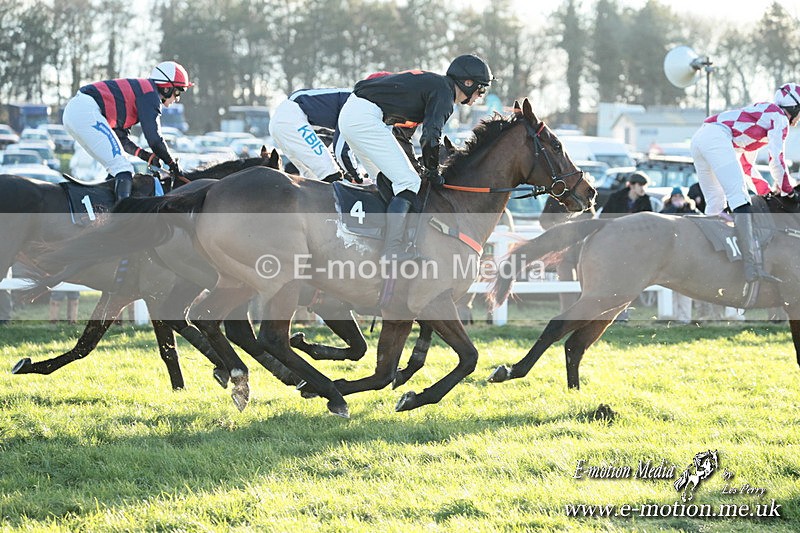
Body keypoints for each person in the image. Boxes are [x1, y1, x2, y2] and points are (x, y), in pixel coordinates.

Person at [338, 54, 494, 261]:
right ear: (467, 83)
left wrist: (424, 168)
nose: (479, 96)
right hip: (364, 117)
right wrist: (432, 170)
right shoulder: (444, 96)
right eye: (480, 89)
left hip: (355, 114)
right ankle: (392, 251)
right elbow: (430, 138)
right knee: (409, 181)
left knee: (389, 181)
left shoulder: (435, 87)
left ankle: (383, 238)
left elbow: (406, 137)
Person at [689, 82, 800, 283]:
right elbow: (776, 159)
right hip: (715, 137)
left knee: (715, 203)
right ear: (793, 108)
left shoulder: (761, 118)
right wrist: (788, 191)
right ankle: (750, 267)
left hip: (700, 138)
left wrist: (766, 191)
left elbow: (747, 166)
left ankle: (707, 259)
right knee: (739, 197)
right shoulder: (779, 118)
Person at [62, 61, 194, 202]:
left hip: (77, 112)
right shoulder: (150, 94)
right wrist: (172, 163)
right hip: (85, 110)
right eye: (178, 92)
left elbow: (121, 139)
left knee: (117, 168)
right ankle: (122, 217)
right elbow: (155, 140)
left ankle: (104, 209)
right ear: (167, 88)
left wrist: (145, 156)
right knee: (123, 168)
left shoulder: (141, 95)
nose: (177, 98)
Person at [660, 187, 701, 323]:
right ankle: (673, 317)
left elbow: (699, 220)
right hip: (670, 255)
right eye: (674, 196)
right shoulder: (665, 211)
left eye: (680, 196)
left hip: (687, 254)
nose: (677, 198)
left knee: (684, 288)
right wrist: (674, 208)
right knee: (670, 287)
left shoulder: (691, 210)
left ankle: (684, 318)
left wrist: (683, 209)